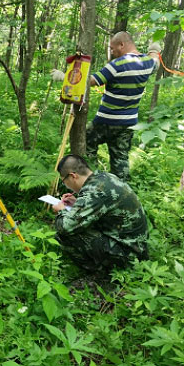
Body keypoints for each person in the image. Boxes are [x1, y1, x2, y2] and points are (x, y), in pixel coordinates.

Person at [52, 154, 149, 272]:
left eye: (64, 181)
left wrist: (61, 210)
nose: (66, 185)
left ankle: (100, 271)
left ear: (73, 176)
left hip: (128, 255)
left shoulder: (94, 191)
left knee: (65, 235)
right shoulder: (104, 177)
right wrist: (77, 203)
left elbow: (65, 227)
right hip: (136, 246)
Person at [86, 32, 159, 181]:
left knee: (86, 142)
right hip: (128, 123)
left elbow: (92, 81)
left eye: (113, 48)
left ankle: (92, 180)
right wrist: (154, 50)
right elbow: (155, 62)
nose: (112, 52)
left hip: (106, 121)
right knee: (120, 159)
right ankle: (121, 189)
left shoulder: (116, 65)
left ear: (122, 45)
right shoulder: (147, 63)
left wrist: (67, 77)